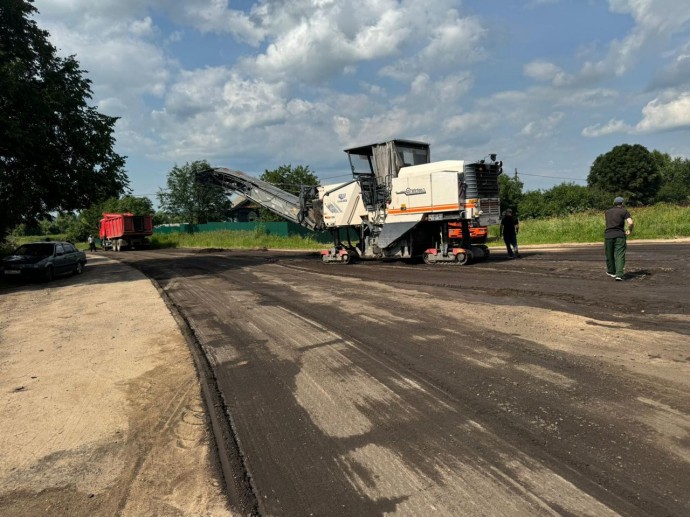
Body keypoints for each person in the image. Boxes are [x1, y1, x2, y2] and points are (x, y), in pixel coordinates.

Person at [605, 196, 633, 281]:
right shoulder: (624, 211)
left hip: (608, 235)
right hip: (620, 235)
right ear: (622, 203)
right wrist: (629, 230)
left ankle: (611, 271)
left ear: (614, 203)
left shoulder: (607, 212)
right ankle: (619, 274)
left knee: (609, 254)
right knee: (620, 254)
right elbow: (631, 222)